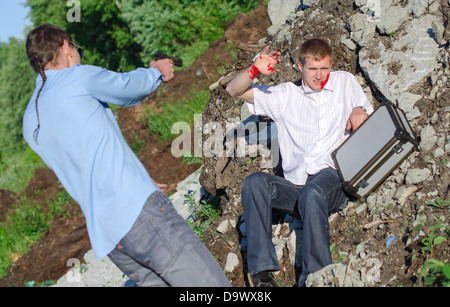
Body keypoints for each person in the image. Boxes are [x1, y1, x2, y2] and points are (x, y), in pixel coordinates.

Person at [23, 24, 231, 287]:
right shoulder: (77, 77)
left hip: (111, 239)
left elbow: (84, 158)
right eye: (77, 49)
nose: (77, 55)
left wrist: (137, 179)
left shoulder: (30, 121)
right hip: (140, 214)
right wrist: (157, 72)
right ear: (65, 45)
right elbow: (127, 87)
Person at [226, 38, 373, 287]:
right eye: (313, 69)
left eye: (324, 68)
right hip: (297, 188)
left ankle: (316, 277)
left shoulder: (344, 81)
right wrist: (253, 70)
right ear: (299, 66)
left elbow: (363, 111)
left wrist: (359, 110)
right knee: (255, 183)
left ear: (331, 65)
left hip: (332, 179)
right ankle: (262, 274)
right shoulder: (285, 95)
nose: (320, 76)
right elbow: (234, 90)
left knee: (313, 192)